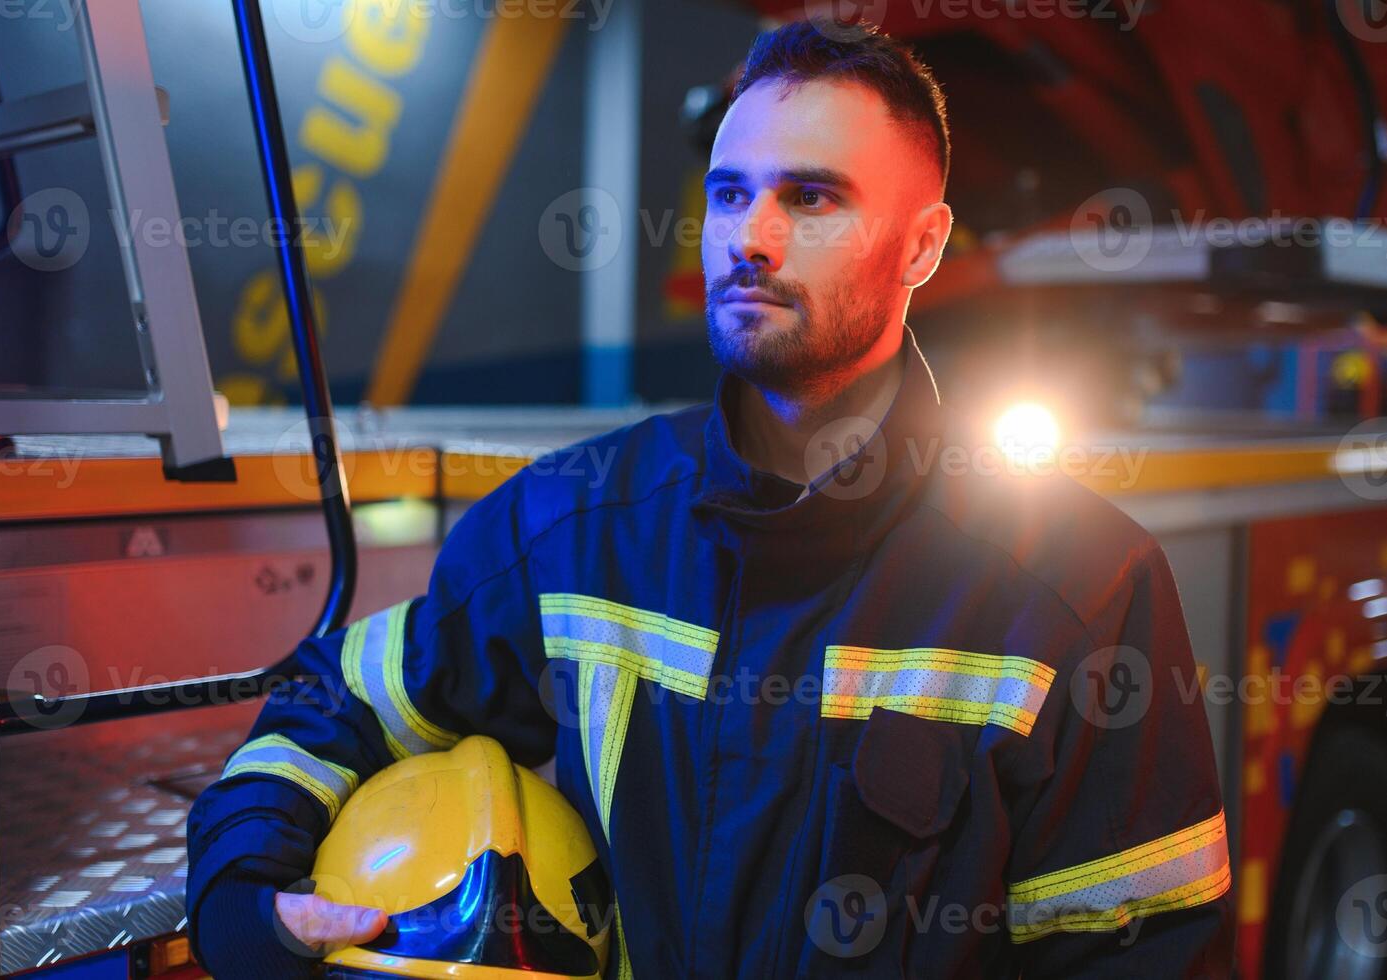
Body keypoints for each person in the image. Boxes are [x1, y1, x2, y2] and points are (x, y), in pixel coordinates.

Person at [187, 17, 1233, 978]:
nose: (751, 236)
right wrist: (246, 902)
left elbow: (1138, 951)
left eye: (810, 197)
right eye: (731, 192)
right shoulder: (582, 525)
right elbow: (338, 700)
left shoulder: (1078, 587)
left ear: (922, 245)